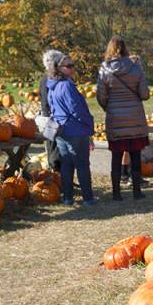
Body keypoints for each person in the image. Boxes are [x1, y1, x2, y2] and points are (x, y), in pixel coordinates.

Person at [97, 36, 150, 200]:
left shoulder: (104, 70)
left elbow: (101, 96)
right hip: (135, 117)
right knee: (135, 155)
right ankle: (136, 191)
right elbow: (145, 94)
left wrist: (110, 107)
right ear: (126, 48)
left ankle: (116, 193)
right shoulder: (136, 68)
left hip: (115, 118)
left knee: (116, 155)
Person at [43, 50, 96, 206]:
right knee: (82, 164)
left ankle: (68, 197)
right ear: (58, 68)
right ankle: (87, 198)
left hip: (60, 131)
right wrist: (89, 125)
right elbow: (77, 109)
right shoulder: (66, 85)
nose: (72, 69)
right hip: (75, 131)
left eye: (73, 65)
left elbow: (52, 108)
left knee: (67, 164)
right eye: (68, 66)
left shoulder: (52, 85)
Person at [38, 67, 60, 172]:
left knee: (53, 149)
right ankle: (57, 175)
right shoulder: (49, 80)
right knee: (55, 150)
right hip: (53, 118)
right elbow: (46, 103)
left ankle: (57, 175)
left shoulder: (46, 79)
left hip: (50, 117)